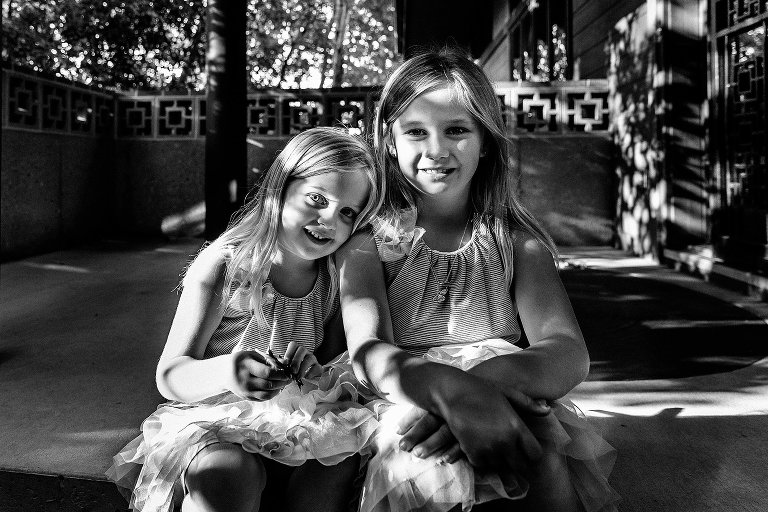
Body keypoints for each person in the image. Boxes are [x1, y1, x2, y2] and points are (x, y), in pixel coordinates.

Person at [336, 48, 620, 512]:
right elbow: (368, 352)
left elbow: (568, 351)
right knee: (420, 463)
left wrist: (485, 383)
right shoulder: (368, 246)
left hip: (509, 386)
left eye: (456, 130)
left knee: (540, 446)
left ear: (485, 140)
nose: (436, 150)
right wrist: (448, 391)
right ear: (389, 141)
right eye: (415, 132)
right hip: (409, 395)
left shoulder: (516, 243)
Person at [107, 127, 385, 512]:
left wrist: (311, 370)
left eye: (347, 212)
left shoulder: (334, 278)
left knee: (337, 463)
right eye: (316, 199)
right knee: (228, 472)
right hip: (216, 419)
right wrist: (227, 371)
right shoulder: (227, 265)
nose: (328, 220)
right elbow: (170, 374)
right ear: (280, 187)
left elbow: (331, 368)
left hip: (294, 420)